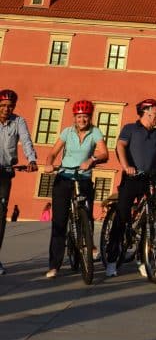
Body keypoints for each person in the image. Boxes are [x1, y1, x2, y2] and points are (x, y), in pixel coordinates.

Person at [43, 99, 109, 278]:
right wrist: (49, 164)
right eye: (79, 116)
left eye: (85, 116)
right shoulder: (67, 132)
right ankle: (54, 265)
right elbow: (52, 153)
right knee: (59, 222)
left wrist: (92, 160)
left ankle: (87, 246)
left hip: (84, 179)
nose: (82, 120)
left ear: (90, 117)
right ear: (75, 117)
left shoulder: (95, 132)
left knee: (86, 217)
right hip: (64, 178)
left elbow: (104, 153)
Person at [105, 97, 156, 278]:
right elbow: (120, 145)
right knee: (122, 218)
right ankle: (111, 260)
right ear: (146, 113)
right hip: (131, 178)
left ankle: (142, 259)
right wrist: (126, 166)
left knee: (150, 219)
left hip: (148, 179)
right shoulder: (130, 129)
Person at [0, 88, 38, 275]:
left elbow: (26, 140)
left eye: (10, 106)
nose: (7, 109)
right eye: (3, 106)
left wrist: (31, 159)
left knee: (0, 216)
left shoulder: (18, 121)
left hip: (5, 172)